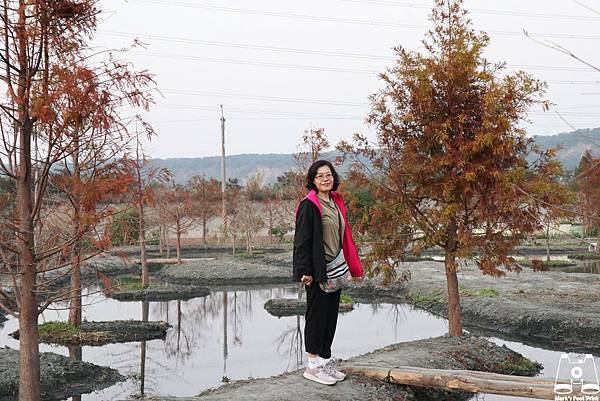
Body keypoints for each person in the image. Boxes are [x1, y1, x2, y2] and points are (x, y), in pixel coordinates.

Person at [293, 159, 364, 385]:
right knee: (316, 317)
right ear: (313, 181)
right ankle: (312, 366)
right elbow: (302, 241)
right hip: (317, 270)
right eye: (320, 175)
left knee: (330, 316)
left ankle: (324, 361)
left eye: (329, 174)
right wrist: (304, 271)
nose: (326, 178)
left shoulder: (335, 201)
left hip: (335, 267)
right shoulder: (309, 205)